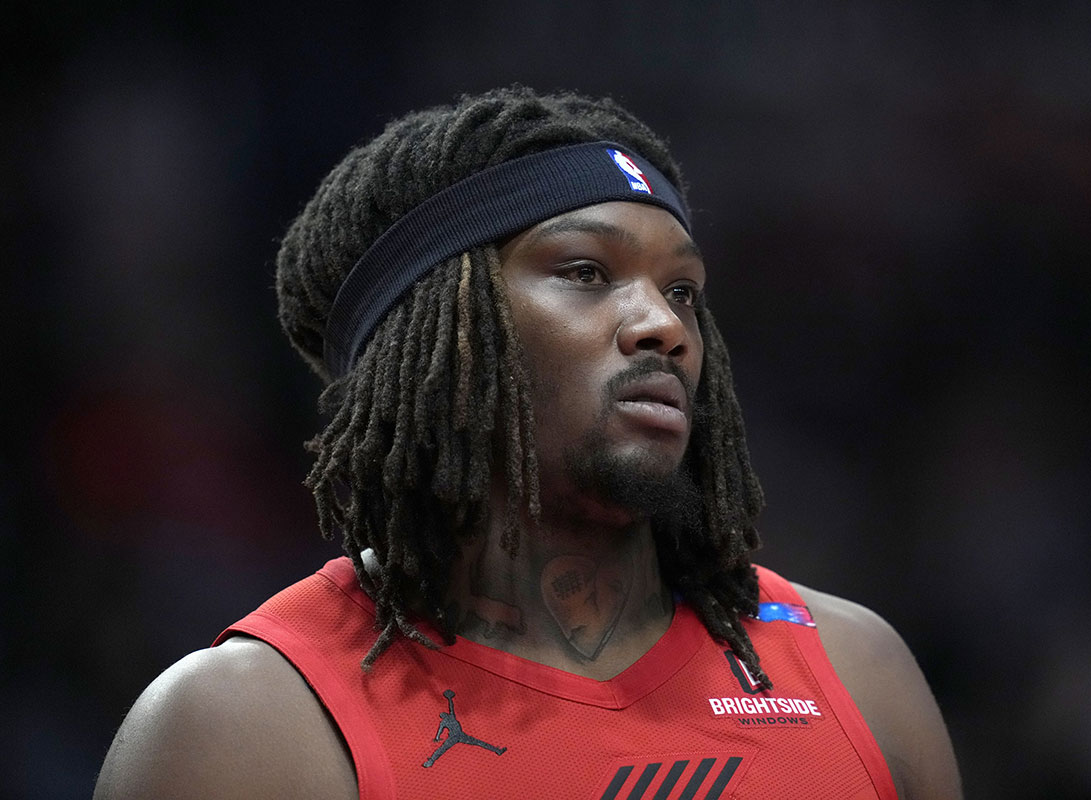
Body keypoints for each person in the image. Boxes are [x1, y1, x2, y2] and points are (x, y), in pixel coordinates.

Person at [94, 87, 961, 799]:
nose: (665, 326)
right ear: (435, 337)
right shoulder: (252, 727)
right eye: (586, 272)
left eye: (685, 290)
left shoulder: (856, 670)